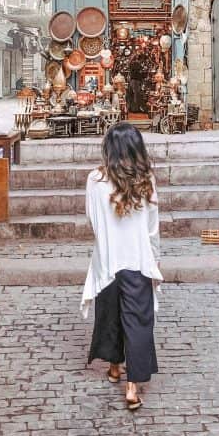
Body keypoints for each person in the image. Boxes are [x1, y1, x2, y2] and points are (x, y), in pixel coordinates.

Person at [81, 122, 162, 411]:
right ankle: (132, 386)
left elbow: (91, 219)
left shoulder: (95, 179)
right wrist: (156, 257)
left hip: (107, 260)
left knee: (110, 314)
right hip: (137, 260)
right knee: (137, 321)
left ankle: (115, 366)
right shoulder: (146, 180)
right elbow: (153, 227)